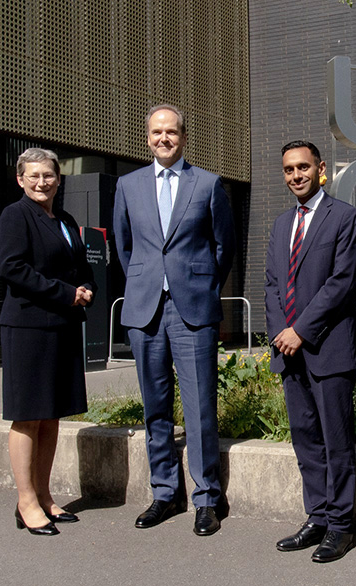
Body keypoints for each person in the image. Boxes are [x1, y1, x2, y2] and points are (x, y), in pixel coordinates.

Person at [113, 104, 236, 536]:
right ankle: (164, 493)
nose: (163, 138)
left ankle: (206, 498)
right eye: (156, 132)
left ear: (184, 137)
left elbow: (224, 247)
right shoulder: (128, 186)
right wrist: (150, 282)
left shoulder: (208, 183)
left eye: (171, 132)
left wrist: (198, 285)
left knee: (201, 406)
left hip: (193, 310)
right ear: (147, 137)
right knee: (155, 409)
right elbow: (125, 250)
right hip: (145, 309)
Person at [265, 140, 356, 563]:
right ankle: (318, 516)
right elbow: (272, 286)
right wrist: (280, 334)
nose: (296, 176)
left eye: (303, 167)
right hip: (289, 351)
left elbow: (340, 284)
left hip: (329, 348)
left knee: (336, 441)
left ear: (320, 169)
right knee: (305, 440)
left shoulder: (344, 217)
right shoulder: (280, 224)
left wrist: (300, 331)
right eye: (289, 170)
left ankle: (341, 527)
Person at [0, 147, 96, 536]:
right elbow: (12, 267)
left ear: (59, 179)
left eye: (49, 175)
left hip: (62, 326)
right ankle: (25, 502)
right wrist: (65, 293)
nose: (42, 182)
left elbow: (80, 266)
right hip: (28, 328)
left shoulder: (66, 219)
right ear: (21, 179)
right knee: (27, 415)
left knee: (51, 415)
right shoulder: (14, 216)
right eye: (33, 176)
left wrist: (85, 286)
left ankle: (44, 495)